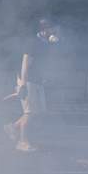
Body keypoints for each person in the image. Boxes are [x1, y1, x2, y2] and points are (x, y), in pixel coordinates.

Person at [5, 17, 60, 153]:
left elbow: (42, 63)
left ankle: (13, 126)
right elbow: (25, 64)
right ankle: (22, 142)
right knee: (29, 113)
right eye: (54, 28)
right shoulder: (34, 42)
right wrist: (23, 85)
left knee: (37, 111)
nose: (57, 31)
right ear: (46, 29)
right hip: (28, 81)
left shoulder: (46, 43)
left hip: (37, 80)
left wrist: (44, 77)